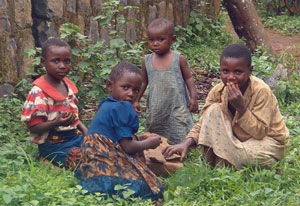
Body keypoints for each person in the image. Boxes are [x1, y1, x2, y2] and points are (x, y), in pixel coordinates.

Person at [163, 43, 289, 169]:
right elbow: (204, 123)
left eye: (238, 72)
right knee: (213, 109)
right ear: (220, 71)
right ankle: (227, 161)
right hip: (235, 139)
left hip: (267, 140)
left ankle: (227, 161)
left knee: (246, 157)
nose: (231, 77)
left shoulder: (261, 91)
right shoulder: (218, 91)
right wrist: (186, 143)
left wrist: (242, 108)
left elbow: (260, 132)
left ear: (250, 71)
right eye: (225, 71)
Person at [78, 62, 164, 200]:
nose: (131, 94)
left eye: (136, 90)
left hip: (92, 164)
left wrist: (138, 138)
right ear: (110, 85)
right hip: (107, 157)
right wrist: (149, 143)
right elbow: (128, 147)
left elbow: (114, 135)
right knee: (150, 187)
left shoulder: (106, 104)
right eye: (125, 87)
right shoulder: (122, 107)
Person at [21, 38, 88, 170]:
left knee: (99, 149)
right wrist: (56, 123)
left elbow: (73, 115)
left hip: (74, 137)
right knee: (83, 162)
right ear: (43, 62)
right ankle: (48, 159)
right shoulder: (39, 92)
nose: (62, 65)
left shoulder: (67, 85)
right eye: (55, 61)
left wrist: (86, 130)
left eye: (66, 61)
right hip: (53, 143)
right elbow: (33, 127)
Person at [133, 18, 198, 145]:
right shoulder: (147, 60)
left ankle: (182, 146)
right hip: (157, 106)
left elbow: (188, 78)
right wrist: (136, 100)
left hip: (177, 104)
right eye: (151, 40)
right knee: (156, 130)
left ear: (172, 39)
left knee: (179, 129)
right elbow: (143, 82)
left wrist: (193, 97)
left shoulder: (178, 59)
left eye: (160, 39)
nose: (155, 43)